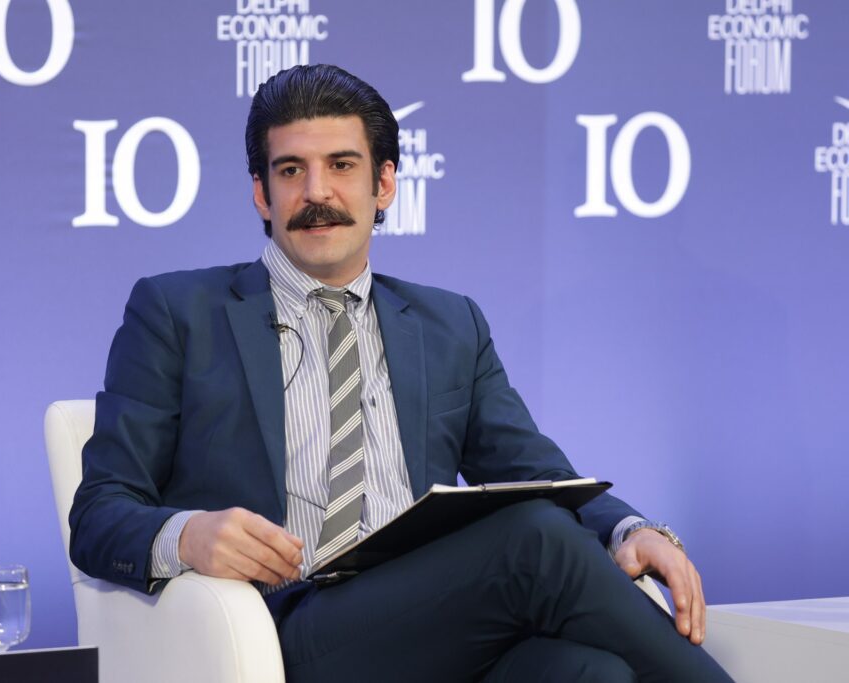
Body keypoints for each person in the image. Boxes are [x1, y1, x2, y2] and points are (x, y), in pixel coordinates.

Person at [69, 64, 732, 682]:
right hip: (282, 633)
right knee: (534, 538)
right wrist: (189, 536)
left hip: (437, 621)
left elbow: (536, 470)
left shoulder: (449, 324)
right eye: (291, 170)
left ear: (383, 184)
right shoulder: (178, 312)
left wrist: (630, 529)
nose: (316, 192)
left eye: (341, 165)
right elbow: (98, 513)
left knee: (596, 673)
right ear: (261, 194)